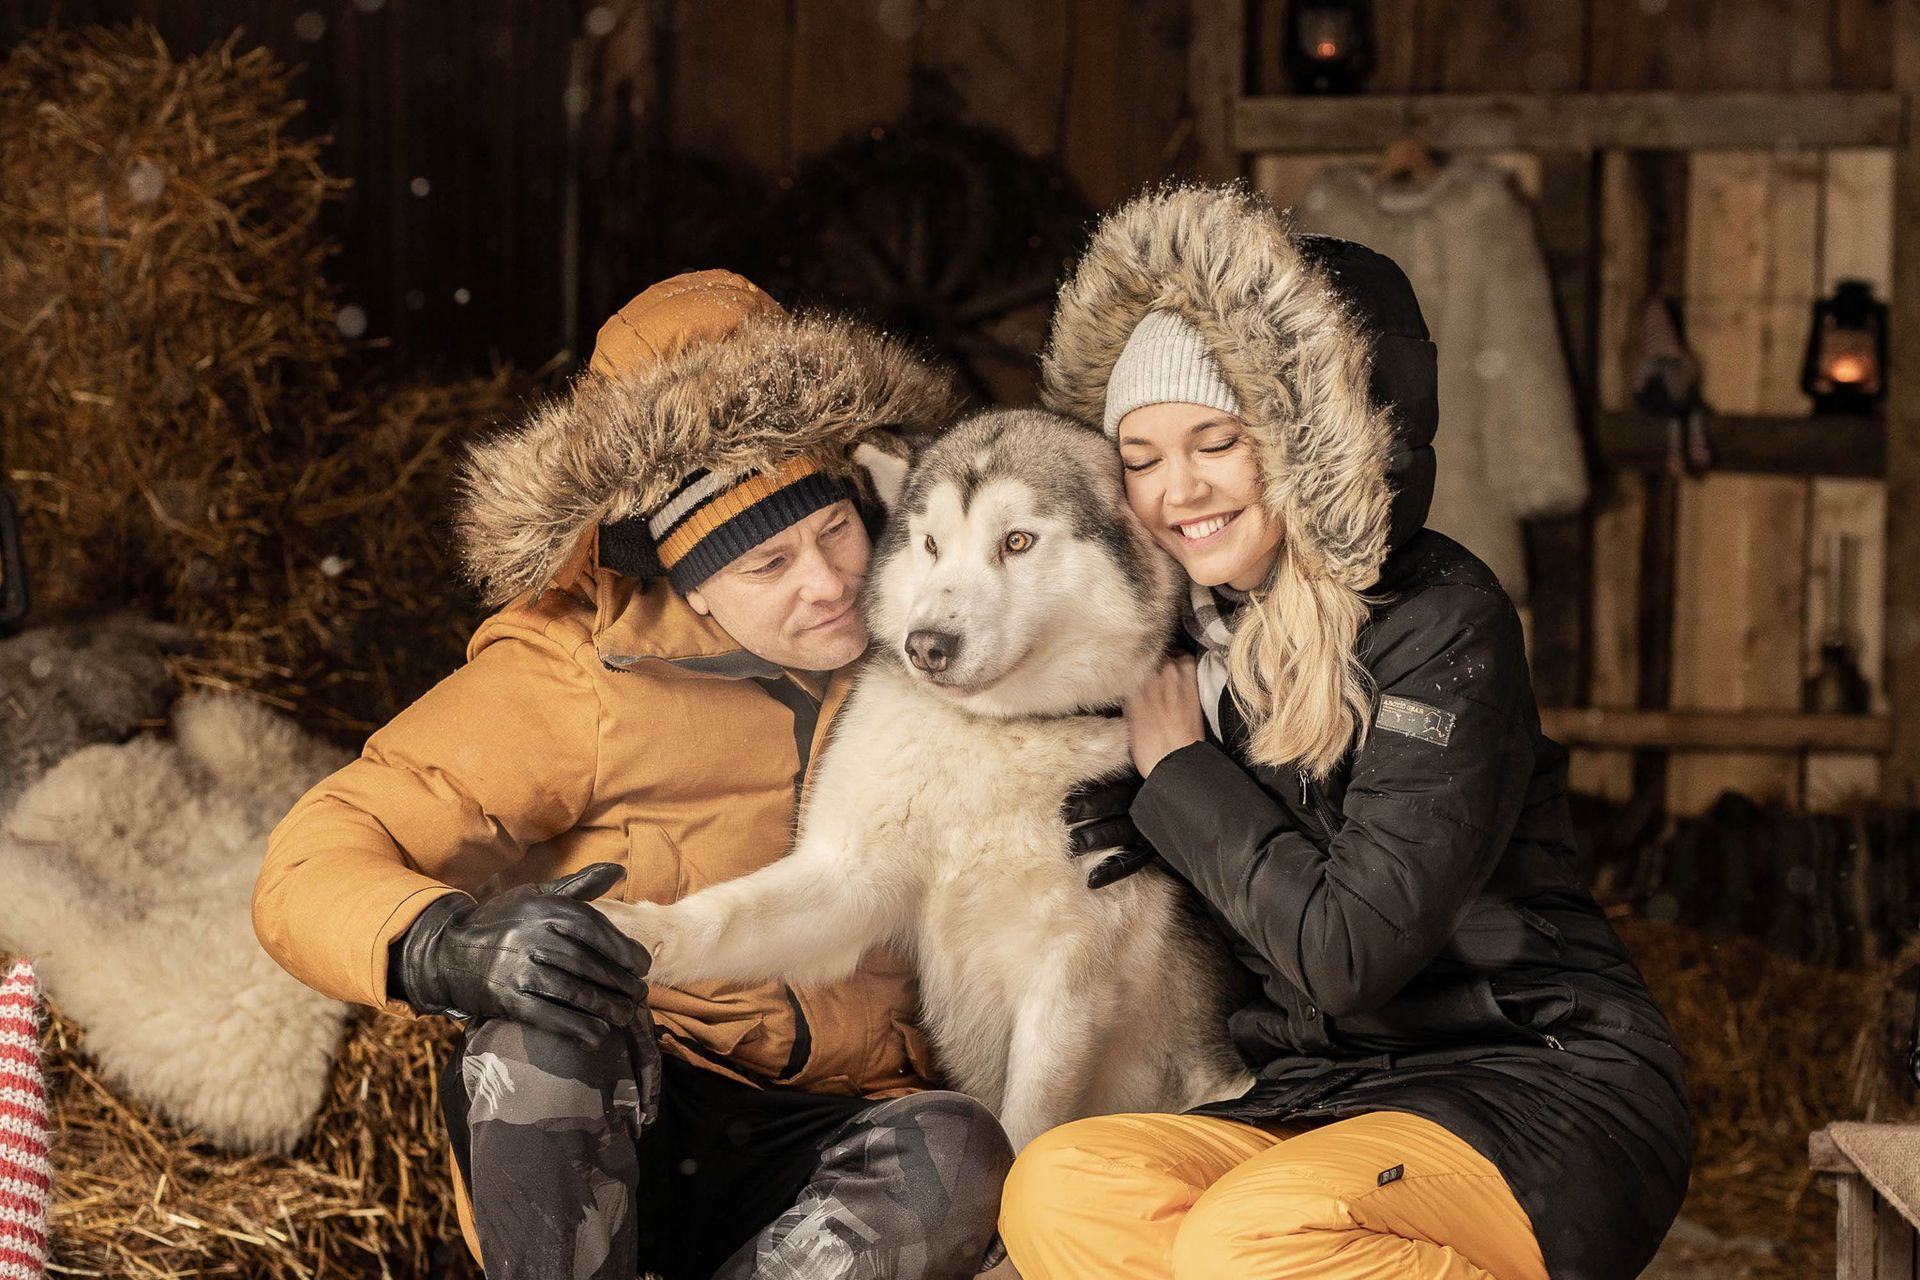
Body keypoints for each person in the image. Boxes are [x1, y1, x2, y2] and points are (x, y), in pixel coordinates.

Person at [255, 271, 1044, 1280]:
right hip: (632, 1098)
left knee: (960, 1146)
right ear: (690, 582)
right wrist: (444, 946)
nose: (829, 581)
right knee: (534, 1043)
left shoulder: (954, 619)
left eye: (835, 529)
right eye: (767, 564)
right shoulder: (574, 676)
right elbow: (309, 854)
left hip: (842, 1127)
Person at [998, 186, 1690, 1279]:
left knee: (1250, 1235)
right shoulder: (1171, 640)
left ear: (1307, 443)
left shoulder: (1442, 623)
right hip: (1323, 1098)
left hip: (1531, 1083)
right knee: (1060, 1186)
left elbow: (1348, 953)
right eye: (1140, 456)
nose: (1178, 488)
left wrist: (1181, 773)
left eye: (1216, 440)